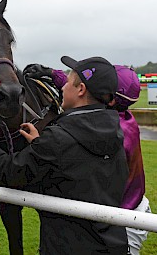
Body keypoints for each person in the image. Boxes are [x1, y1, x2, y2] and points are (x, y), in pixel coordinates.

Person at [0, 56, 129, 254]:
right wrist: (39, 144)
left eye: (67, 82)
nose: (63, 87)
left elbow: (10, 172)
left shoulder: (58, 140)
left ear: (81, 90)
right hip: (112, 244)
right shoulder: (115, 131)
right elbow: (79, 170)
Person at [25, 63, 151, 254]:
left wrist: (43, 146)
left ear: (107, 98)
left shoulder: (113, 133)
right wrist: (52, 73)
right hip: (131, 207)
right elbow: (82, 89)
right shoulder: (119, 119)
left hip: (123, 219)